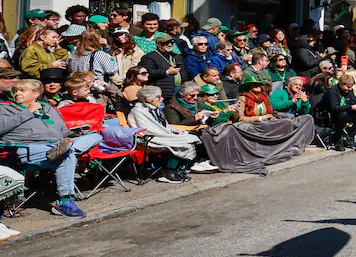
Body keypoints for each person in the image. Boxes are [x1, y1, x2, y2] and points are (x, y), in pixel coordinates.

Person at [0, 78, 104, 217]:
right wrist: (27, 112)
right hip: (28, 147)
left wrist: (75, 133)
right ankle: (64, 201)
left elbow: (62, 131)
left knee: (96, 136)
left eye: (22, 91)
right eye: (15, 91)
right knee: (67, 156)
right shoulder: (5, 108)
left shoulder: (48, 108)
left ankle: (65, 149)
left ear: (36, 94)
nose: (17, 93)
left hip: (56, 143)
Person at [128, 85, 212, 180]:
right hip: (149, 138)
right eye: (158, 97)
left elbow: (164, 126)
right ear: (148, 99)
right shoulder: (138, 111)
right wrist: (168, 134)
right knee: (183, 142)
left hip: (161, 134)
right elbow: (149, 129)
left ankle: (176, 169)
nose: (162, 99)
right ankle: (168, 171)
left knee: (192, 137)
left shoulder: (155, 110)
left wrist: (175, 130)